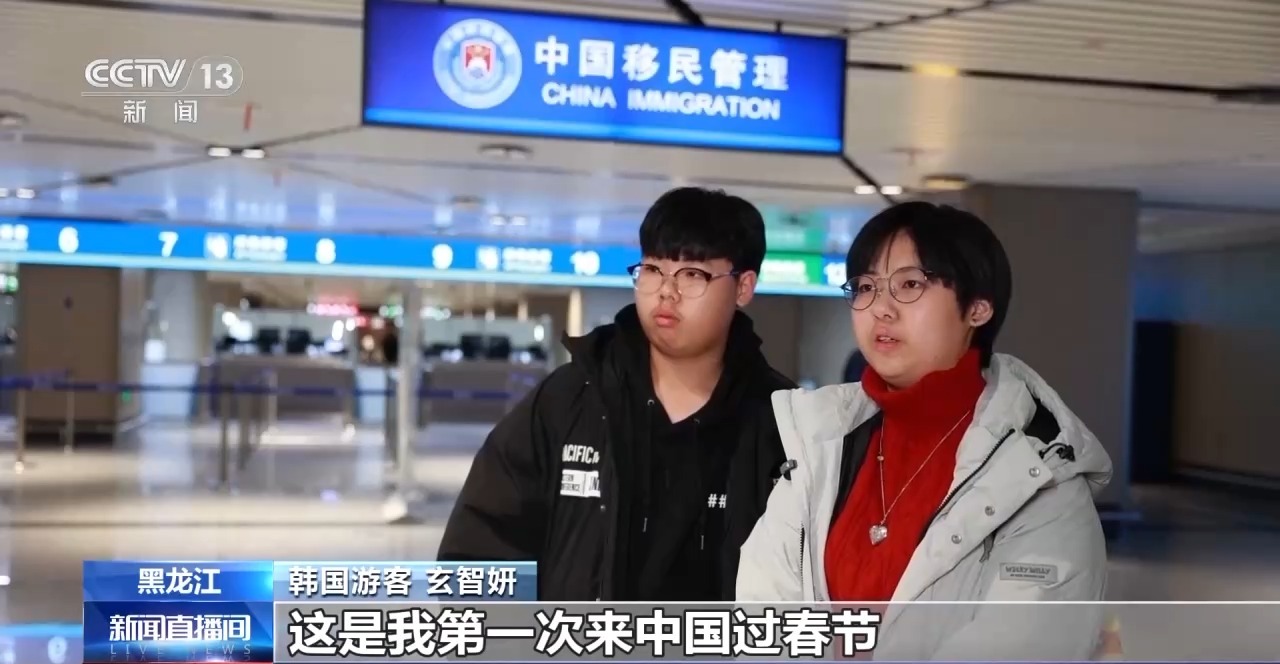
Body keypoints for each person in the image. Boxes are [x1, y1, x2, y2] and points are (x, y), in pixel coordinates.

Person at [737, 201, 1112, 660]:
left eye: (910, 284)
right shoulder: (817, 442)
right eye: (866, 287)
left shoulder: (1042, 476)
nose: (880, 308)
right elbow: (763, 610)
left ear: (977, 308)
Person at [439, 186, 796, 601]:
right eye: (653, 269)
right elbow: (479, 551)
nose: (666, 291)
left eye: (692, 274)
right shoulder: (568, 400)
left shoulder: (783, 424)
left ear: (743, 287)